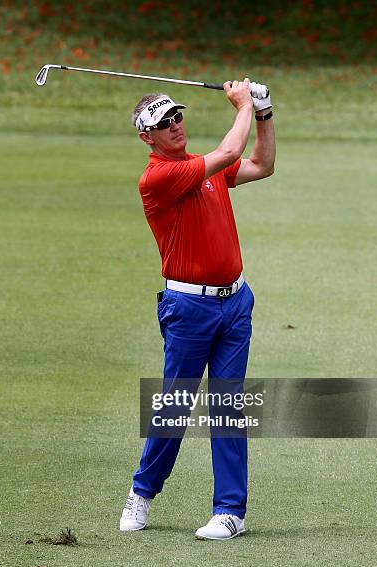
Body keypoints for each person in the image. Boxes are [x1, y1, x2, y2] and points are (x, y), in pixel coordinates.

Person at [119, 78, 276, 540]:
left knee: (228, 405)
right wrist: (244, 103)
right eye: (162, 124)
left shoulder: (200, 165)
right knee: (174, 406)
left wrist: (264, 114)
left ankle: (230, 511)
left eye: (177, 116)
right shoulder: (159, 177)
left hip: (235, 303)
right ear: (147, 136)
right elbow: (229, 153)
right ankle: (143, 492)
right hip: (188, 308)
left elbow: (262, 165)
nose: (174, 126)